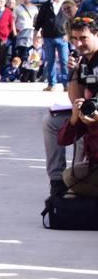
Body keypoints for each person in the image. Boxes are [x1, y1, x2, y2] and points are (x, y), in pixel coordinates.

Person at [56, 15, 98, 197]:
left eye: (83, 38)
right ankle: (54, 180)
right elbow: (76, 98)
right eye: (74, 39)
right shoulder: (85, 62)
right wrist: (76, 116)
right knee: (50, 122)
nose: (78, 44)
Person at [35, 0, 70, 92]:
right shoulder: (46, 5)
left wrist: (69, 34)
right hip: (48, 38)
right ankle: (51, 84)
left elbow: (73, 19)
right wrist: (35, 34)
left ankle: (66, 85)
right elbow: (39, 21)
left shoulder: (68, 5)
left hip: (62, 37)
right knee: (50, 61)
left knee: (64, 61)